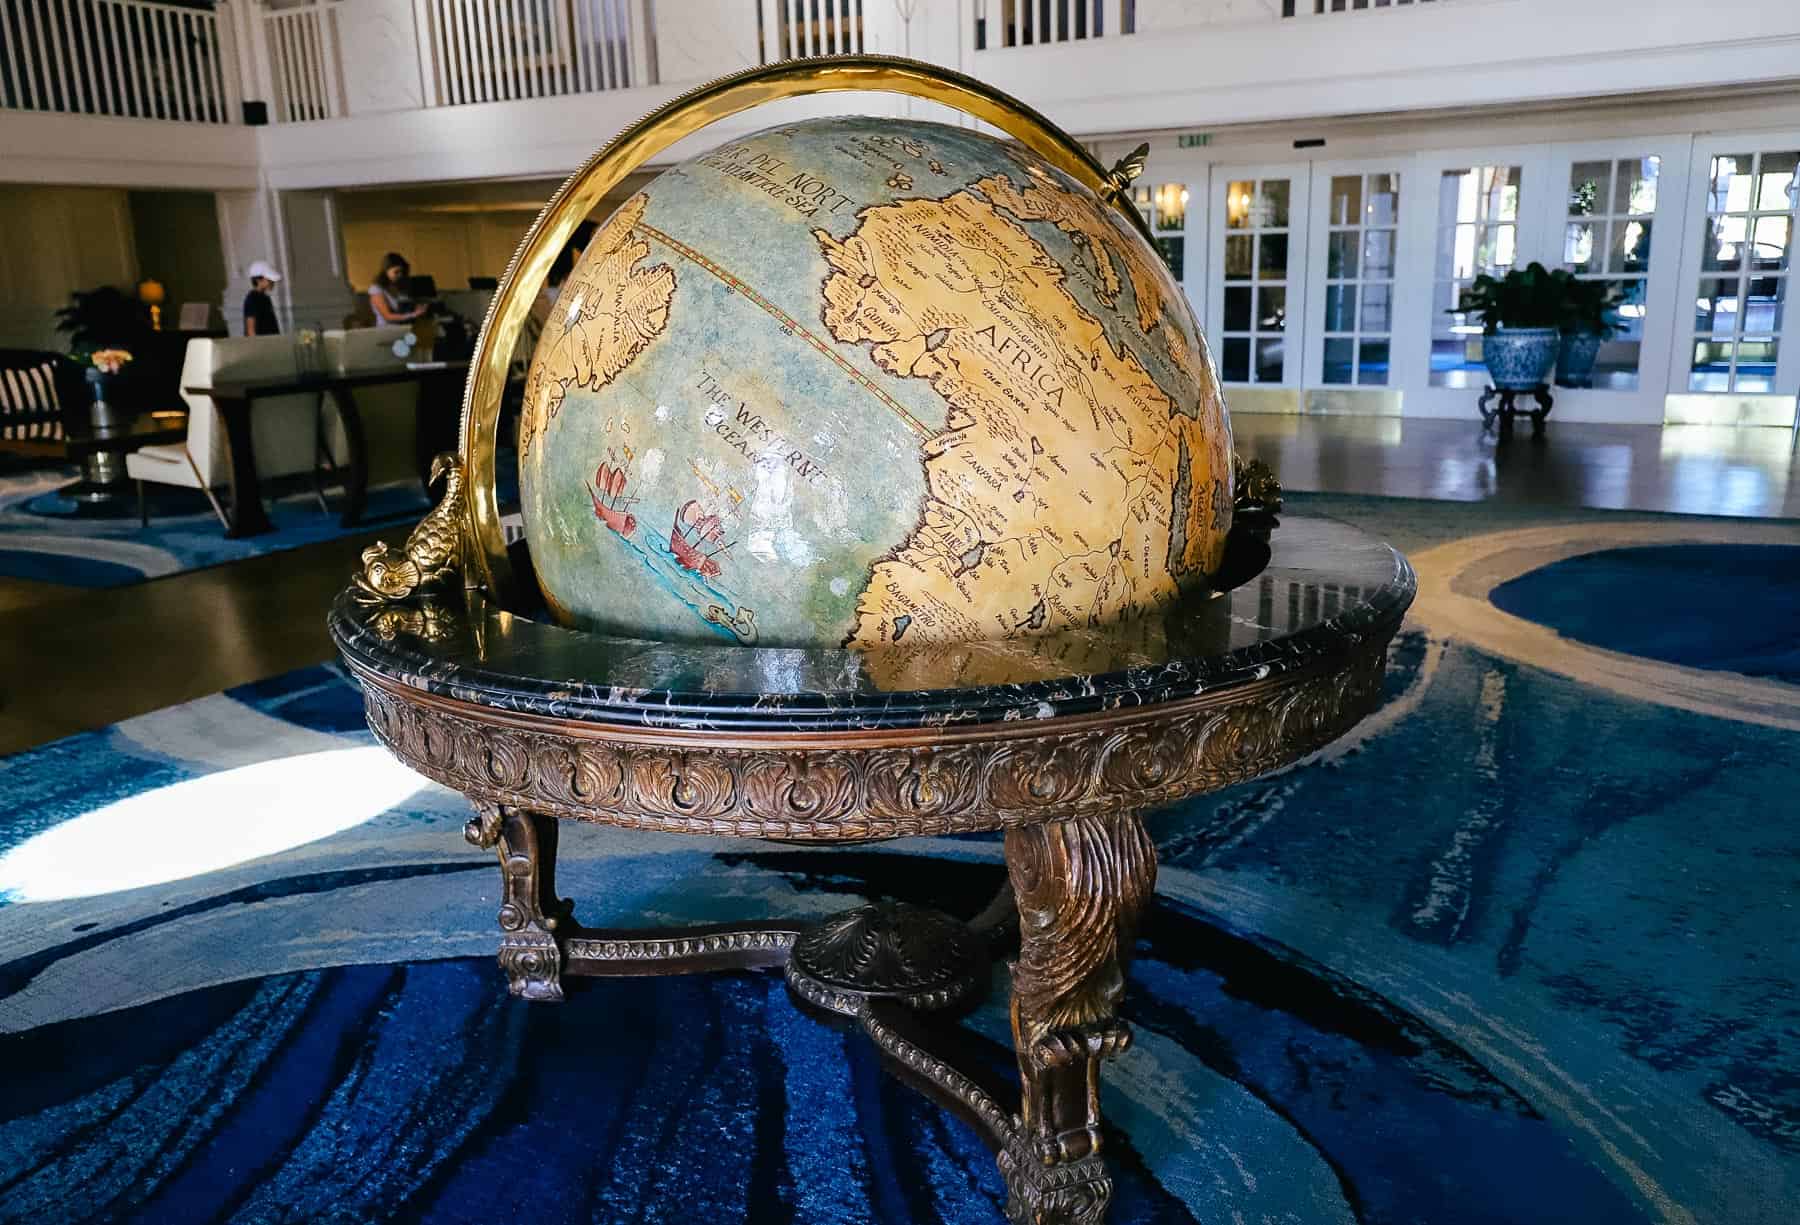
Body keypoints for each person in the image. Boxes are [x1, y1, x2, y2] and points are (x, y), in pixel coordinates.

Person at [368, 252, 427, 324]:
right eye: (396, 272)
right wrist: (414, 314)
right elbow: (388, 316)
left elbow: (406, 309)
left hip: (403, 327)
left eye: (402, 272)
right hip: (387, 331)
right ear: (386, 270)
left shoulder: (399, 286)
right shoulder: (376, 289)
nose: (400, 275)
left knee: (427, 332)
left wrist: (418, 308)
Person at [243, 260, 282, 336]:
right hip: (261, 344)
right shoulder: (252, 299)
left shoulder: (265, 298)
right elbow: (251, 329)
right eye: (269, 280)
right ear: (258, 280)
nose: (272, 282)